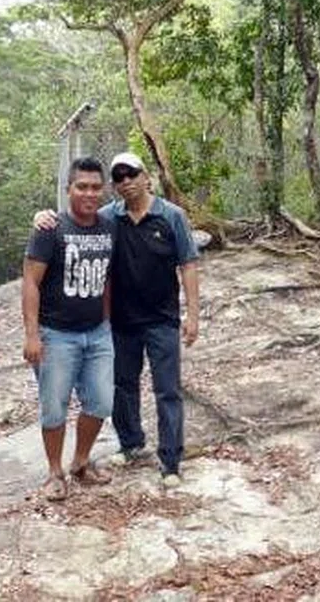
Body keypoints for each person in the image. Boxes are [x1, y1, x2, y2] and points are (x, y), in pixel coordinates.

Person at [34, 152, 200, 488]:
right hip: (121, 322)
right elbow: (75, 219)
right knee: (123, 388)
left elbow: (188, 264)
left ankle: (170, 462)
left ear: (146, 175)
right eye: (119, 177)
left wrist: (193, 314)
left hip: (162, 319)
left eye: (132, 174)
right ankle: (131, 443)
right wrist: (41, 216)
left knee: (167, 390)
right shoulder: (109, 219)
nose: (126, 182)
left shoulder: (172, 216)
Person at [22, 156, 115, 501]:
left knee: (102, 401)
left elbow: (108, 278)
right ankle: (54, 472)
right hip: (56, 334)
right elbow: (30, 282)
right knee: (55, 406)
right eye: (82, 187)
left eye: (95, 187)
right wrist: (32, 335)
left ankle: (80, 462)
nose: (89, 194)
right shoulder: (50, 230)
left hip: (98, 332)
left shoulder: (109, 226)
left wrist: (106, 320)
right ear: (69, 189)